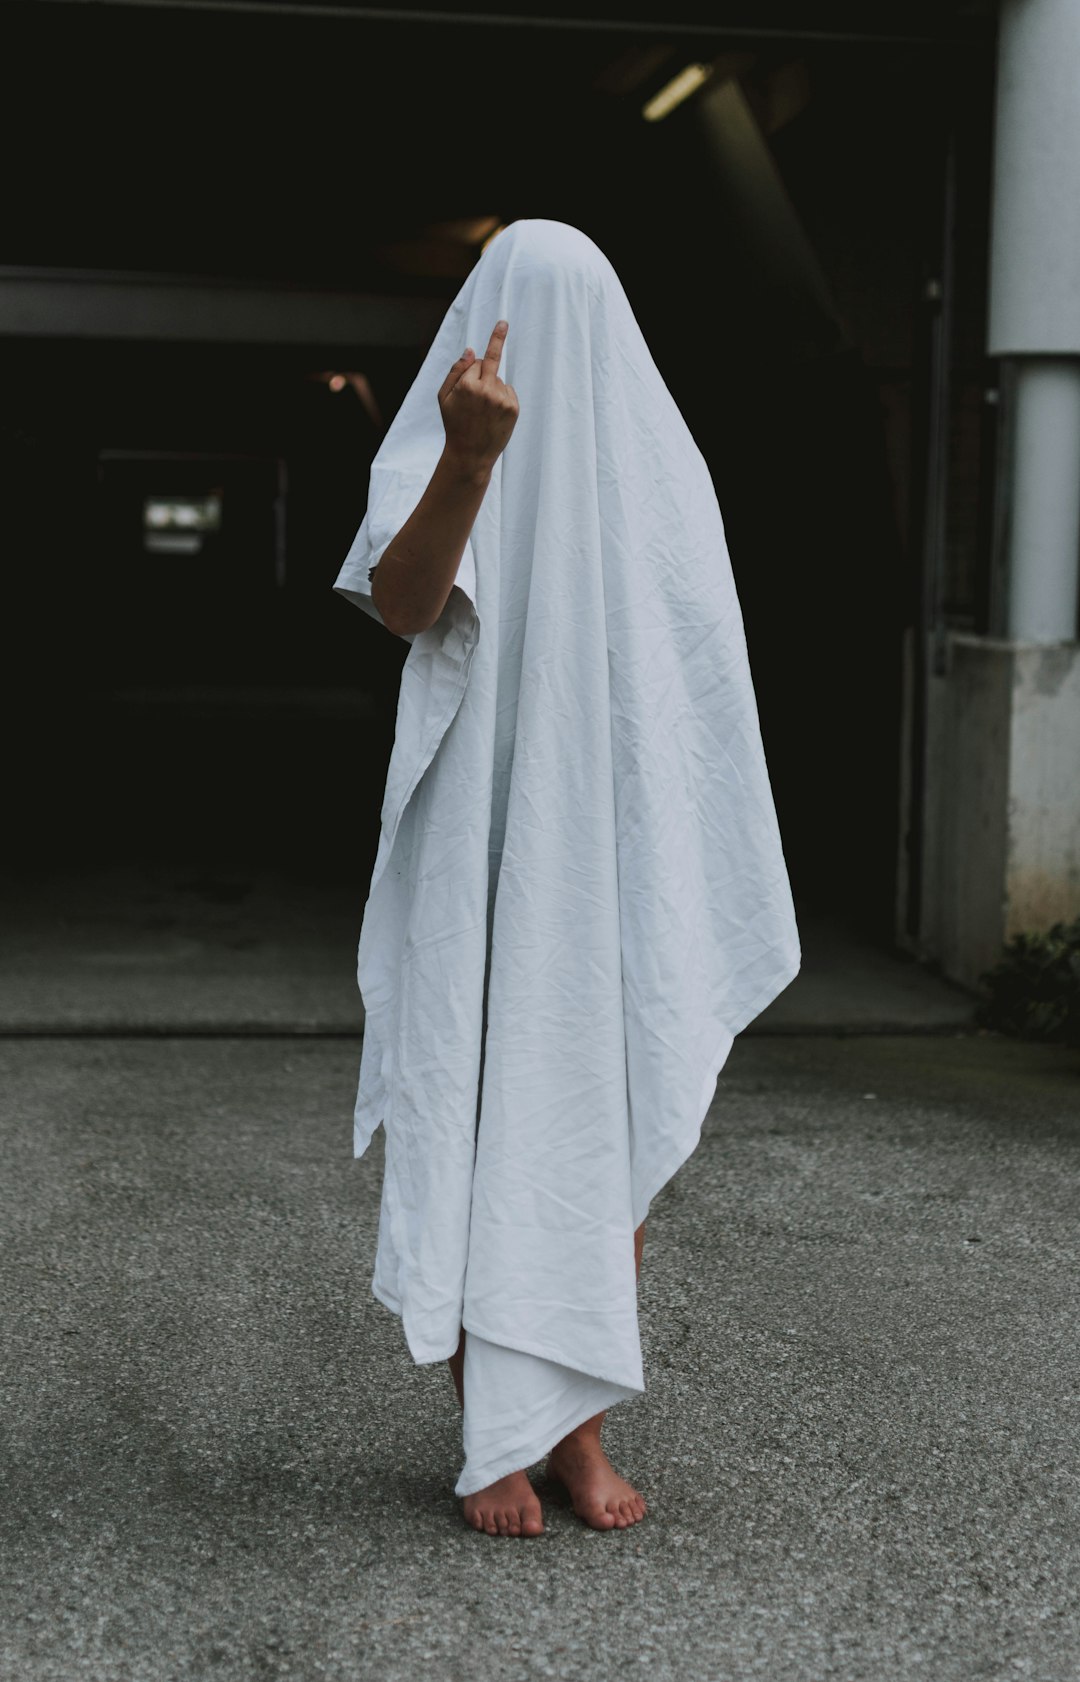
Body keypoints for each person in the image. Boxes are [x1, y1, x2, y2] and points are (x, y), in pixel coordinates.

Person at [334, 219, 801, 1538]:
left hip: (608, 836)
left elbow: (696, 671)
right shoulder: (436, 443)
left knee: (607, 1118)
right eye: (518, 304)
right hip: (479, 823)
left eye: (572, 309)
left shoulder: (657, 471)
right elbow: (407, 603)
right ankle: (495, 1437)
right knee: (483, 1101)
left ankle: (576, 1426)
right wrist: (475, 457)